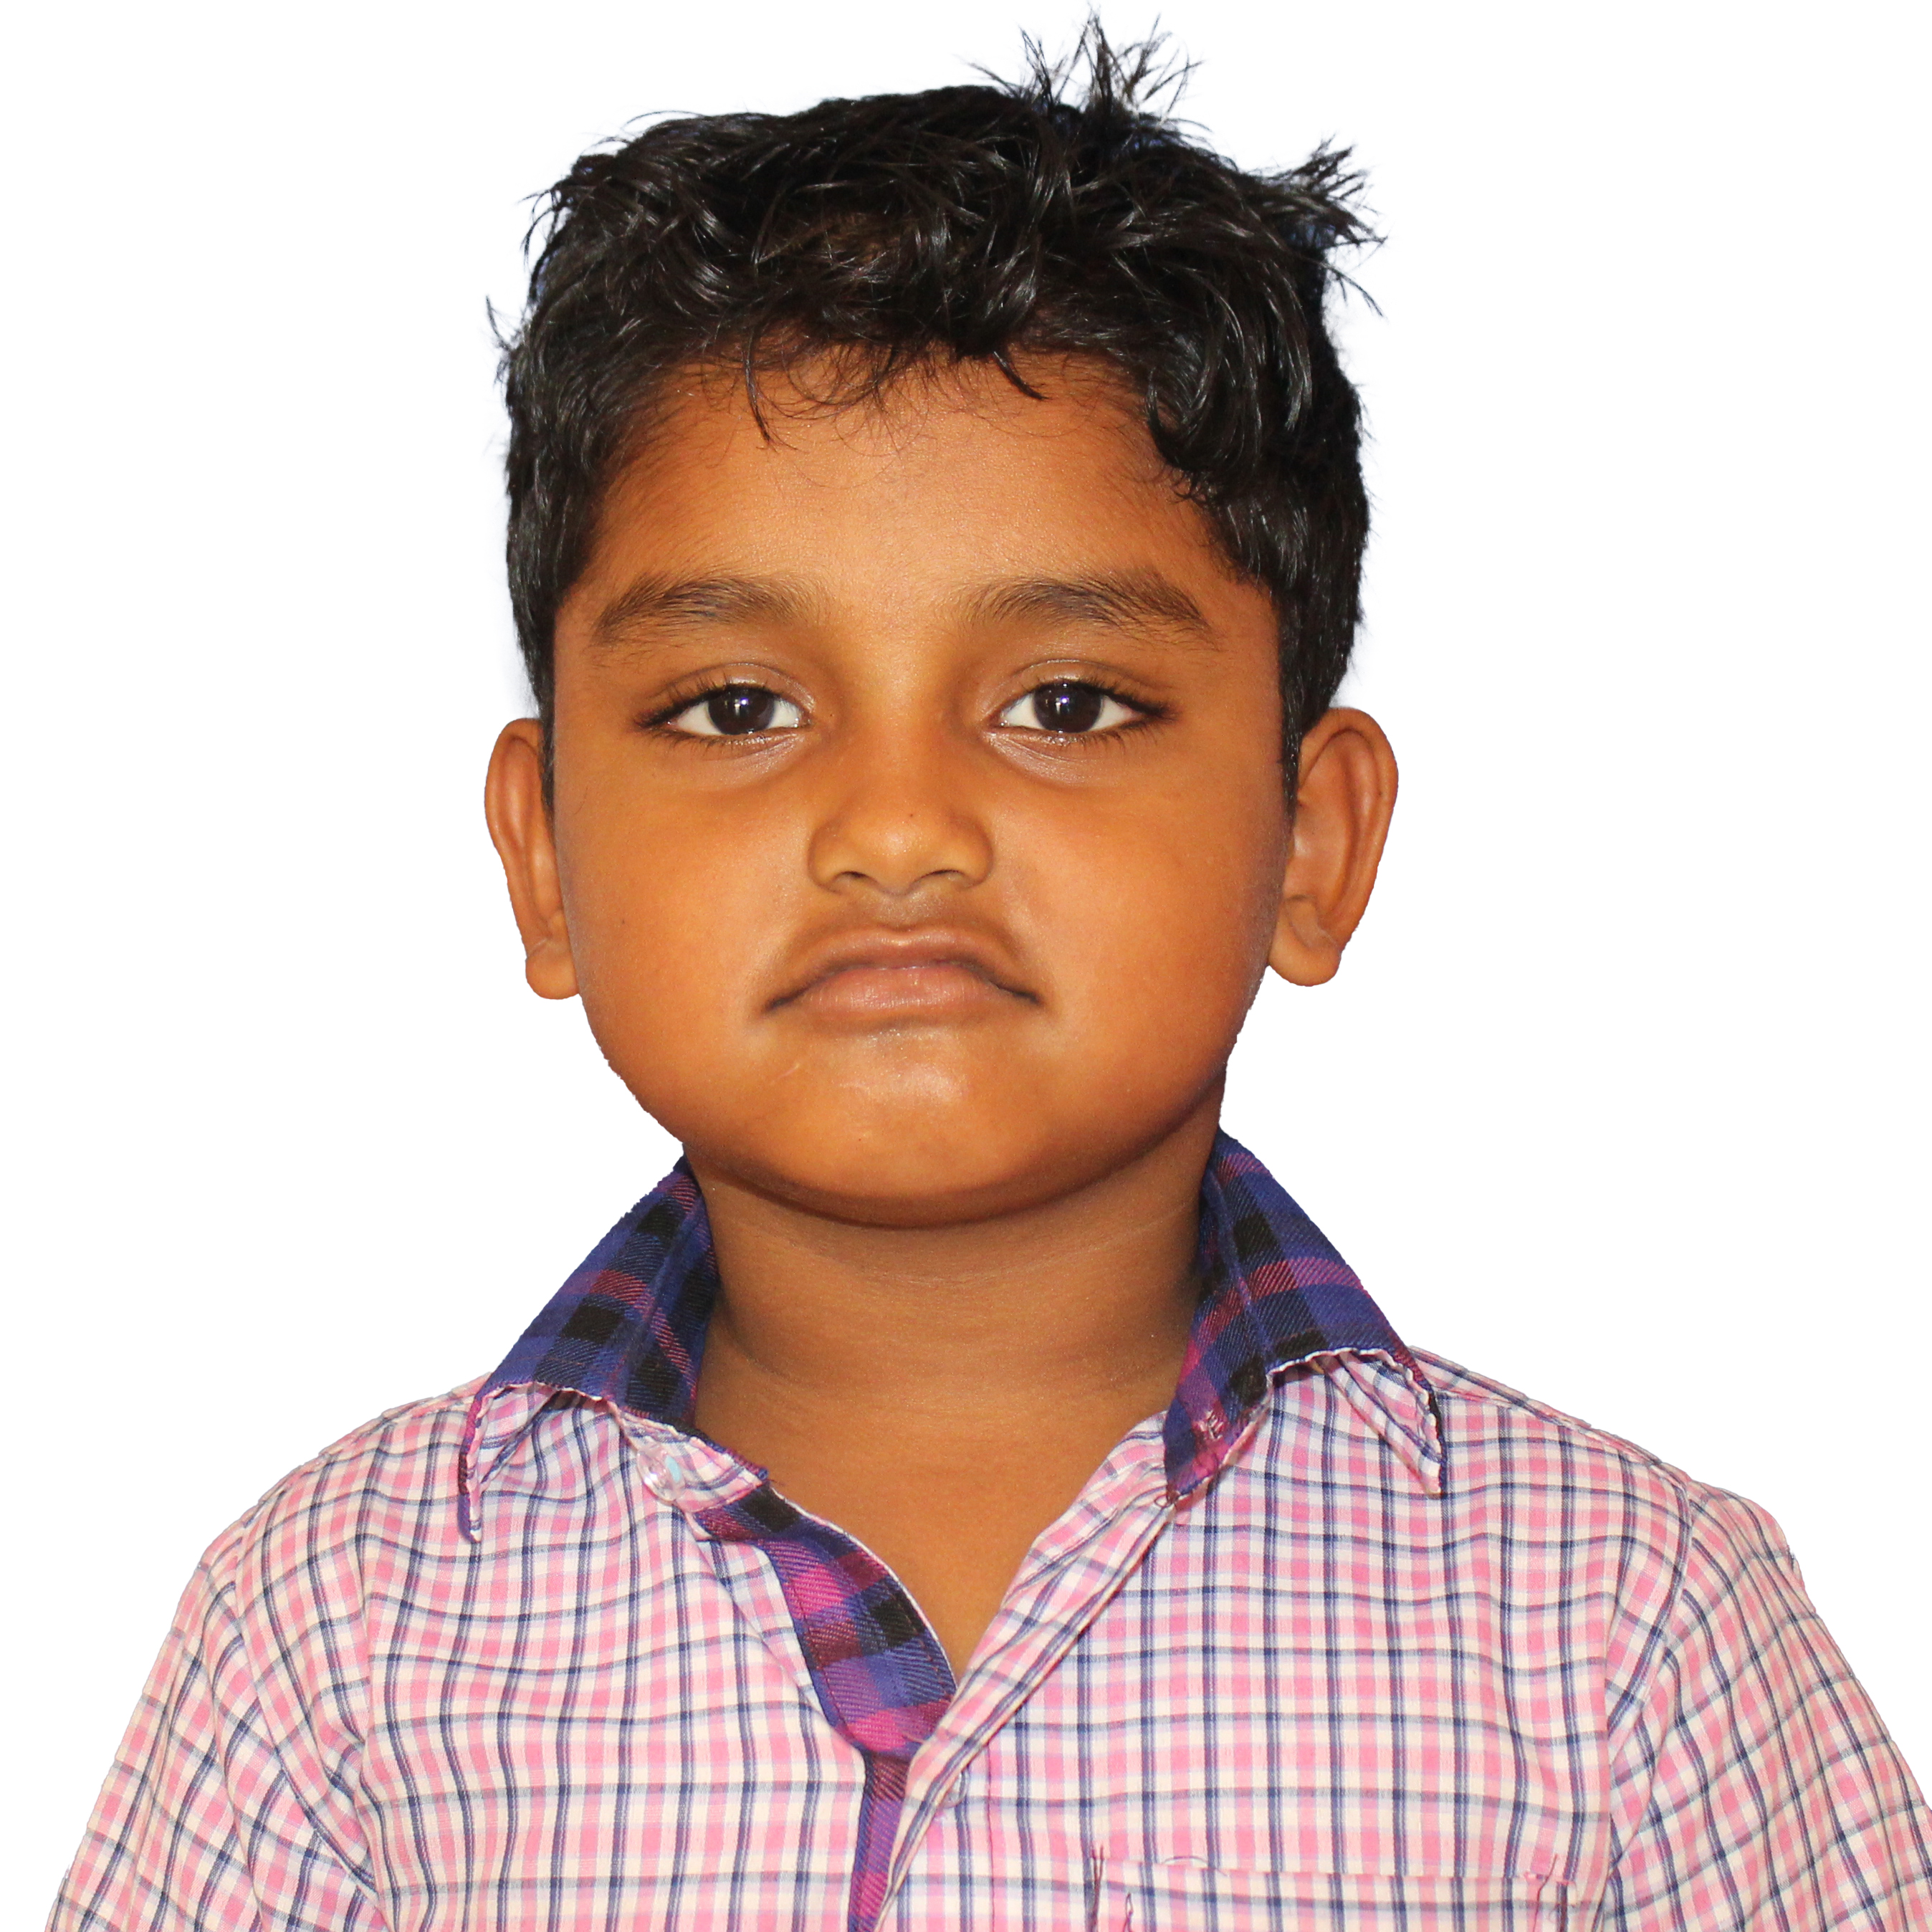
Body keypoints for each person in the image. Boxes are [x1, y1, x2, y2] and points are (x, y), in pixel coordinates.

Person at [49, 27, 1932, 1931]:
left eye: (1068, 704)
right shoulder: (341, 1631)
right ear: (542, 854)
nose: (898, 830)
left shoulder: (1622, 1633)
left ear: (1314, 837)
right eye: (737, 707)